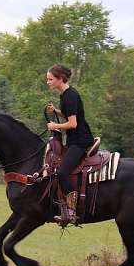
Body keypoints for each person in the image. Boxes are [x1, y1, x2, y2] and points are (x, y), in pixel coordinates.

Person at [45, 63, 94, 224]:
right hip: (74, 140)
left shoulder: (70, 95)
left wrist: (55, 125)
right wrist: (57, 112)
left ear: (60, 79)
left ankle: (72, 210)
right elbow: (70, 114)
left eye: (50, 79)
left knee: (63, 172)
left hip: (80, 141)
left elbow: (73, 123)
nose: (48, 82)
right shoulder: (65, 95)